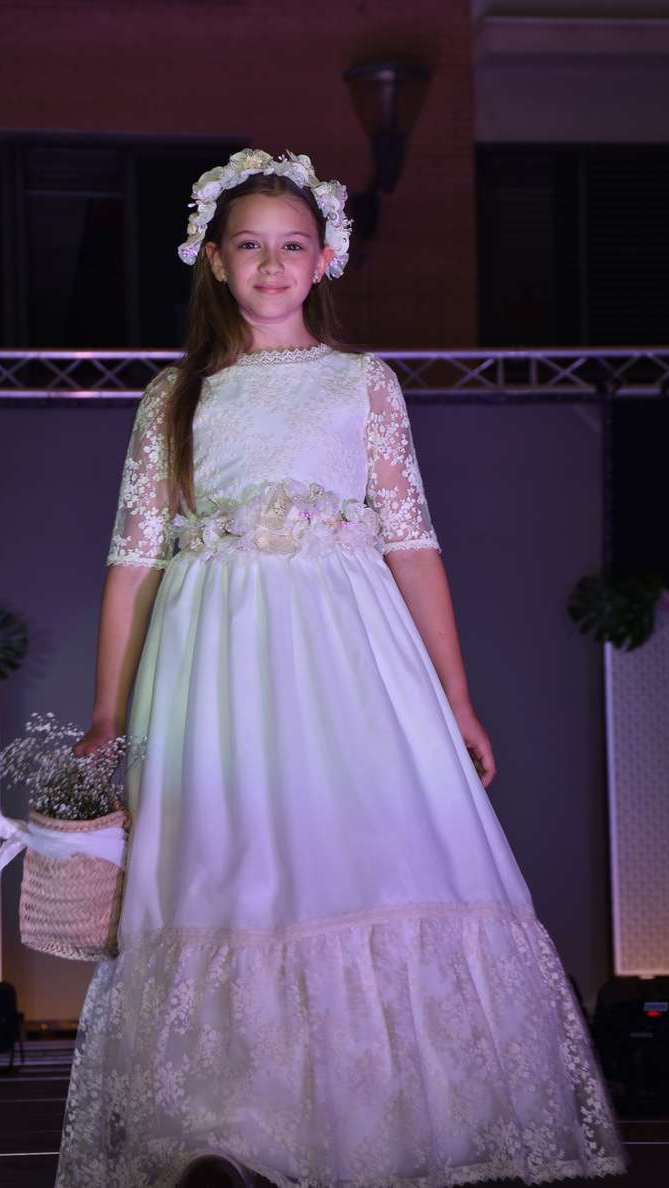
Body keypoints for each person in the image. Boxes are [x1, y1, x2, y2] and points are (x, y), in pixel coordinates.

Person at [54, 149, 626, 1188]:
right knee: (227, 869)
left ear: (326, 259)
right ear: (214, 261)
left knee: (361, 857)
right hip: (214, 662)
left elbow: (413, 543)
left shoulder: (364, 384)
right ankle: (229, 1123)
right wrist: (106, 712)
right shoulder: (175, 396)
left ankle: (382, 1119)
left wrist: (456, 698)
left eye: (292, 245)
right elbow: (131, 565)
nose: (272, 264)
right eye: (249, 246)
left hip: (345, 658)